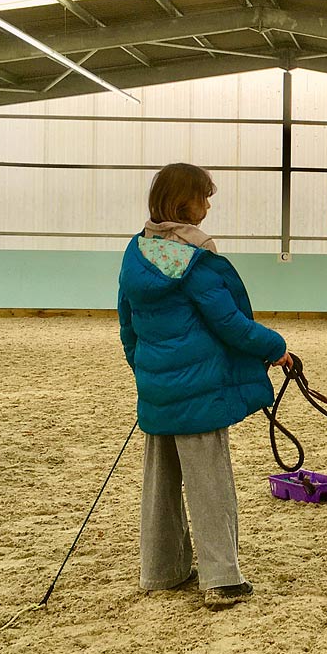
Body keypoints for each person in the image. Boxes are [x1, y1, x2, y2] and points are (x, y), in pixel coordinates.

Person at [117, 162, 294, 610]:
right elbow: (230, 323)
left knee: (161, 483)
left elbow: (127, 327)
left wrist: (149, 372)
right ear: (184, 202)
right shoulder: (195, 261)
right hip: (199, 391)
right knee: (210, 482)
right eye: (204, 197)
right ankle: (220, 578)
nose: (208, 205)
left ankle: (161, 570)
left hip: (158, 389)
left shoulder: (134, 253)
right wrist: (276, 347)